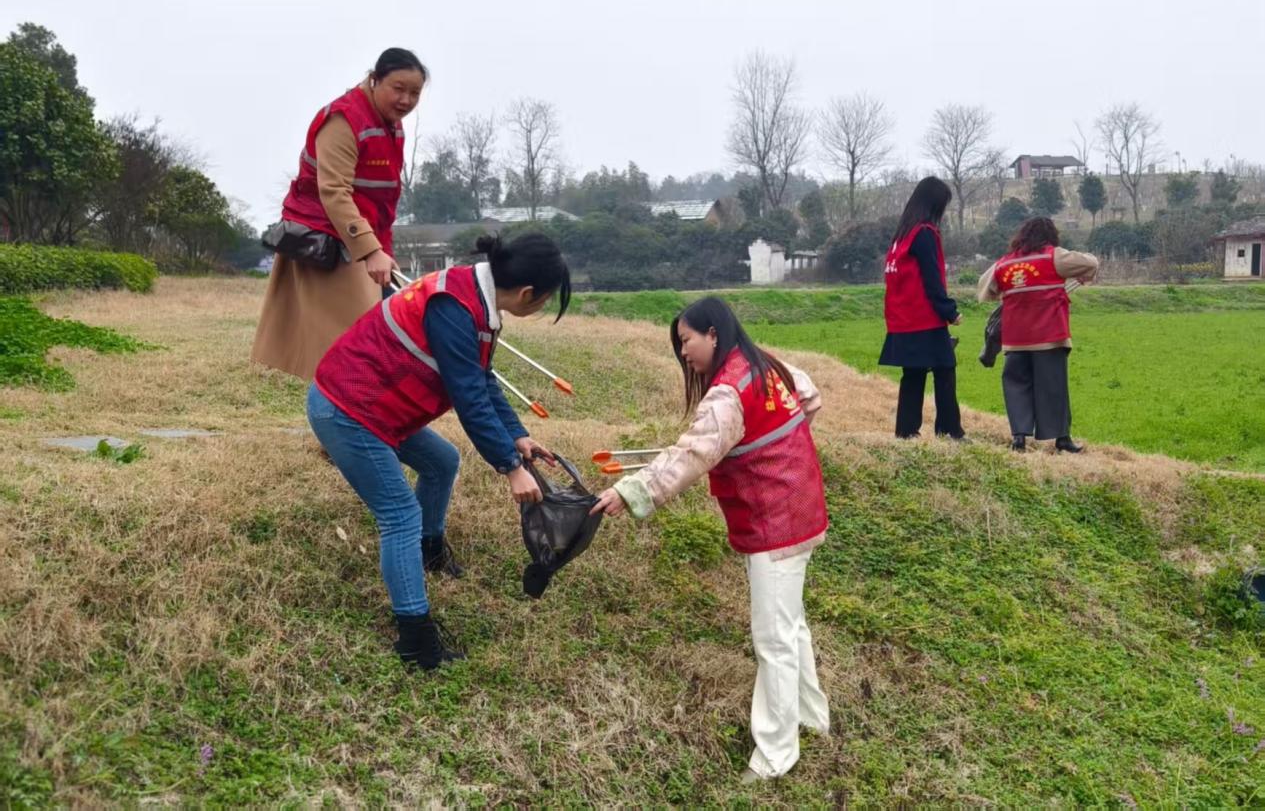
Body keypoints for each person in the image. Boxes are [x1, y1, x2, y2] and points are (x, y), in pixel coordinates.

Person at [591, 296, 830, 783]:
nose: (683, 353)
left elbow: (692, 454)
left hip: (773, 521)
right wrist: (775, 447)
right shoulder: (767, 365)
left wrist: (631, 491)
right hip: (801, 507)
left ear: (713, 334)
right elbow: (809, 397)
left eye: (687, 341)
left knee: (774, 639)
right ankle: (811, 718)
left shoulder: (727, 393)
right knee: (791, 627)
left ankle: (775, 755)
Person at [307, 233, 571, 670]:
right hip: (347, 410)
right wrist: (511, 467)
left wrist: (517, 436)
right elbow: (469, 398)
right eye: (545, 301)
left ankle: (429, 552)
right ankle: (416, 640)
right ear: (528, 293)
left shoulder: (475, 297)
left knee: (442, 461)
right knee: (399, 516)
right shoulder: (454, 307)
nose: (541, 307)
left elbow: (481, 377)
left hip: (377, 406)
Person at [251, 48, 428, 381]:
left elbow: (383, 199)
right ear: (375, 80)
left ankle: (351, 405)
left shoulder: (392, 127)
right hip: (326, 241)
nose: (406, 100)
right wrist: (371, 250)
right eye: (398, 88)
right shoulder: (343, 119)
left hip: (360, 241)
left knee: (370, 343)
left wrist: (383, 250)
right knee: (351, 348)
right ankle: (340, 407)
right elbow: (333, 191)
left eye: (415, 93)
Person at [977, 217, 1098, 453]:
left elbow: (985, 287)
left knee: (1016, 386)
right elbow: (1091, 264)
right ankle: (1062, 439)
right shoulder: (1054, 256)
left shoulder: (1004, 263)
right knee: (1053, 387)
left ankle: (1019, 438)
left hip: (1015, 339)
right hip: (1049, 337)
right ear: (1050, 235)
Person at [880, 176, 965, 439]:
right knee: (945, 368)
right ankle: (949, 431)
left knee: (913, 374)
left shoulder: (902, 235)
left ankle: (906, 432)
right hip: (923, 317)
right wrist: (949, 311)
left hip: (901, 317)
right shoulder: (924, 233)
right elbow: (931, 278)